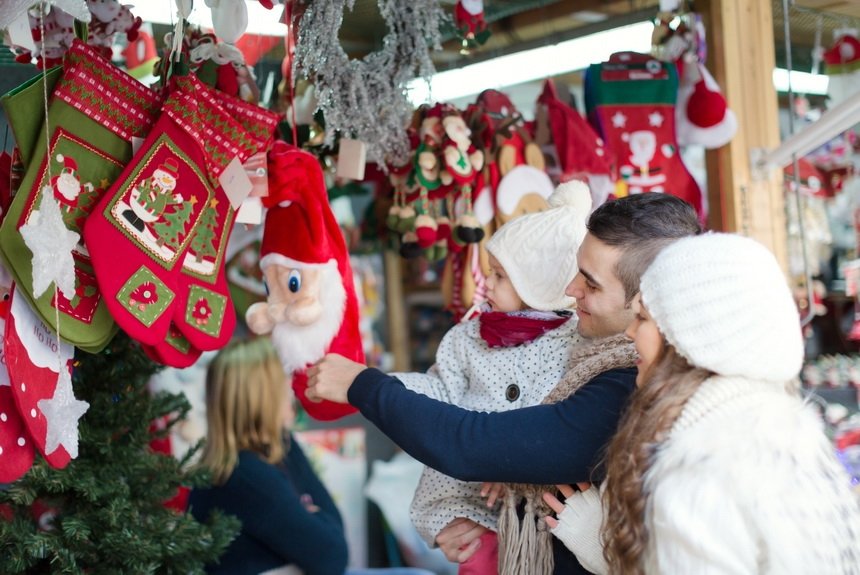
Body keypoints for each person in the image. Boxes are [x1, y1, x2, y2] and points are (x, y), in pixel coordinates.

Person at [306, 193, 702, 575]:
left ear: (648, 301)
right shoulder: (596, 354)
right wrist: (489, 511)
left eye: (591, 284)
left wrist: (364, 385)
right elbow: (510, 444)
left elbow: (473, 445)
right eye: (576, 273)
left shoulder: (629, 385)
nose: (569, 290)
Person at [544, 233, 860, 574]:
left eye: (644, 318)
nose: (631, 333)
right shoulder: (781, 432)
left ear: (689, 337)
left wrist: (604, 548)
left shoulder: (703, 469)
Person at [393, 182, 592, 575]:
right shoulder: (470, 336)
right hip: (467, 498)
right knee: (476, 561)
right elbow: (440, 388)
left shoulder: (573, 342)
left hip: (531, 512)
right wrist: (394, 390)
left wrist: (512, 462)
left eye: (500, 276)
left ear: (540, 284)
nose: (486, 287)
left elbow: (553, 412)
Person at [187, 338, 436, 575]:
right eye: (282, 382)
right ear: (261, 396)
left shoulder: (254, 461)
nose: (291, 391)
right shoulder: (246, 476)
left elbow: (334, 536)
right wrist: (313, 514)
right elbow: (332, 556)